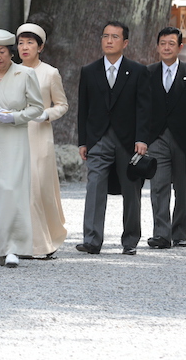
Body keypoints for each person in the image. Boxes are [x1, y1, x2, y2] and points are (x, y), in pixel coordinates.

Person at [77, 21, 151, 256]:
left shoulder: (138, 71)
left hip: (128, 141)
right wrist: (83, 141)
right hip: (98, 138)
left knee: (131, 190)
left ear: (125, 43)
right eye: (105, 36)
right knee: (95, 186)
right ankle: (92, 239)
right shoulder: (89, 71)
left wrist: (142, 138)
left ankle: (130, 240)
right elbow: (83, 109)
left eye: (115, 37)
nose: (109, 41)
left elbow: (143, 108)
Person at [0, 29, 44, 267]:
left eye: (2, 52)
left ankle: (14, 248)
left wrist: (15, 117)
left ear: (11, 53)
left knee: (13, 191)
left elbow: (37, 107)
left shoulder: (25, 74)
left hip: (15, 137)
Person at [145, 26, 186, 249]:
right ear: (157, 47)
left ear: (180, 47)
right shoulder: (148, 73)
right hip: (157, 138)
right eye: (162, 43)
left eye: (171, 44)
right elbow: (141, 108)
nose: (166, 47)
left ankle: (180, 232)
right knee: (159, 185)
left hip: (185, 140)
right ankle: (161, 234)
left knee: (183, 188)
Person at [16, 23, 69, 259]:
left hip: (39, 136)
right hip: (14, 136)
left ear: (40, 47)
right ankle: (20, 243)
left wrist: (47, 114)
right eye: (20, 43)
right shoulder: (10, 70)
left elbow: (62, 105)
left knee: (37, 190)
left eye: (30, 43)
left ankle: (42, 243)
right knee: (18, 191)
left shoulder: (50, 73)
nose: (24, 47)